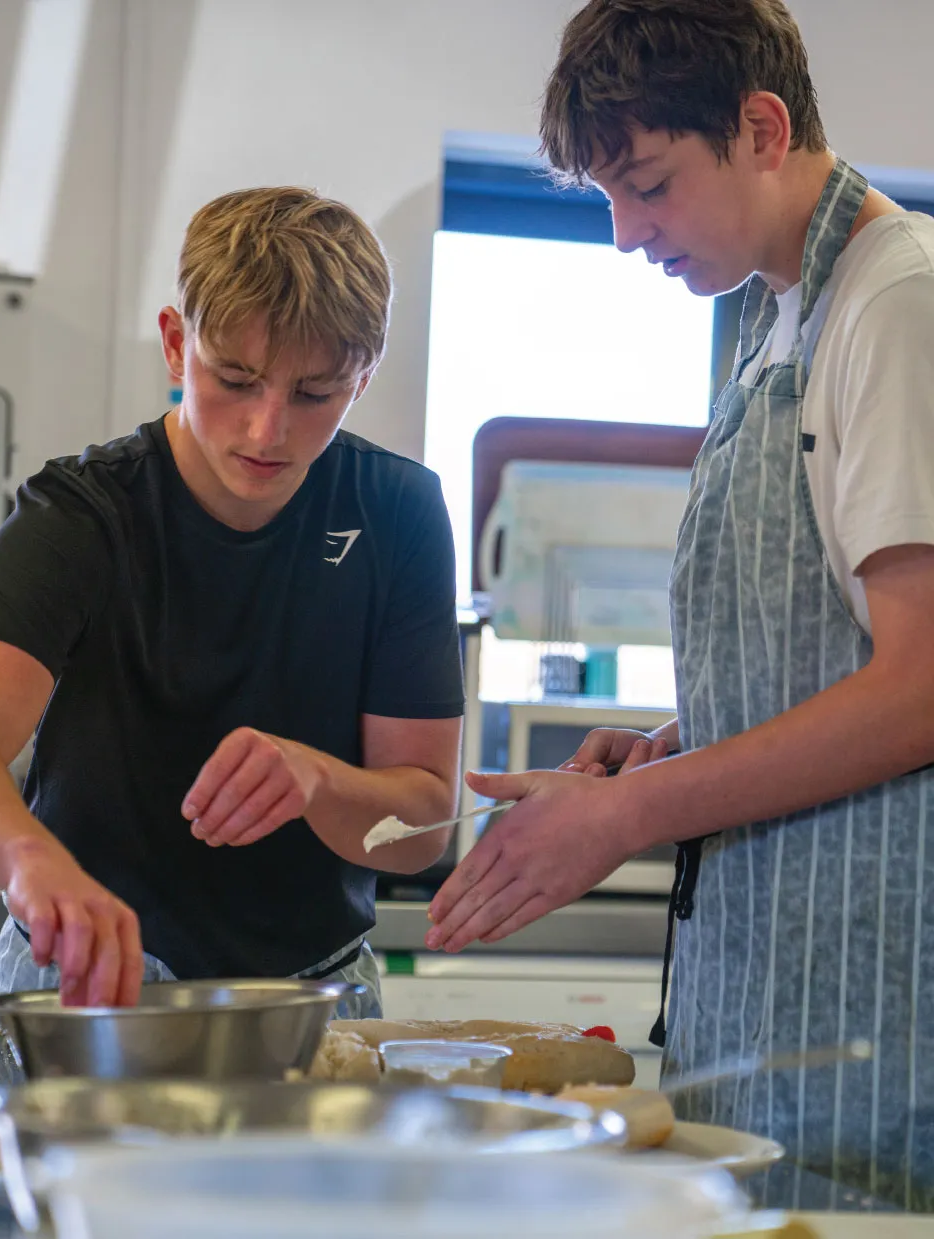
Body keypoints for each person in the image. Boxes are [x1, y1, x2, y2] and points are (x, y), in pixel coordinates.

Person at [425, 0, 934, 1210]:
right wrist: (666, 750)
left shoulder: (896, 306)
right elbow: (821, 656)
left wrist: (634, 813)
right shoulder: (774, 324)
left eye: (645, 186)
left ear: (761, 127)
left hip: (864, 1011)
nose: (622, 234)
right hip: (768, 989)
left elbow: (919, 689)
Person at [0, 186, 464, 1021]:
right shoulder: (81, 513)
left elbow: (421, 828)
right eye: (235, 378)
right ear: (175, 343)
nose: (267, 430)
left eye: (315, 395)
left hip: (308, 996)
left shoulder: (398, 514)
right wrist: (30, 860)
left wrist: (318, 779)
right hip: (83, 985)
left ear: (363, 377)